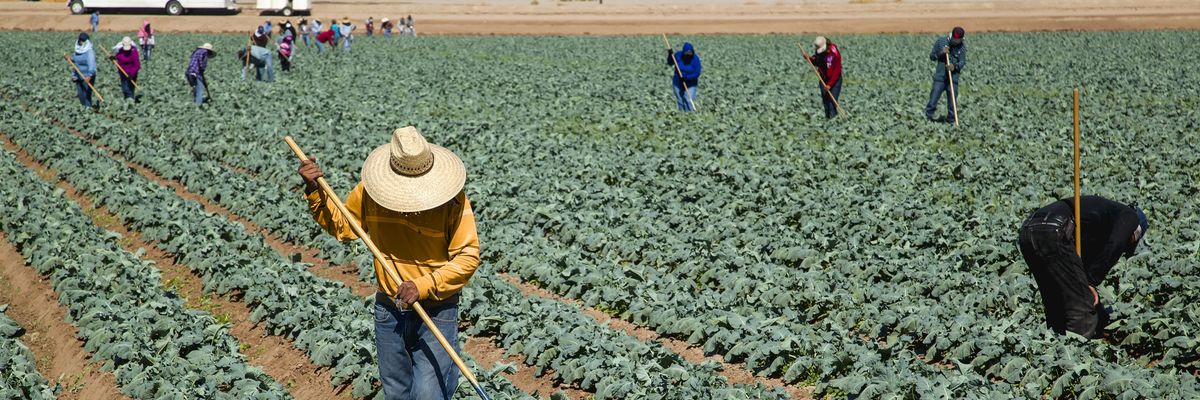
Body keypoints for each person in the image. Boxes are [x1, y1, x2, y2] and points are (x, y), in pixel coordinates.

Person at [297, 127, 480, 400]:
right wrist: (314, 190)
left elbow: (468, 256)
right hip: (389, 309)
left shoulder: (451, 200)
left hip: (437, 311)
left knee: (429, 395)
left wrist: (424, 285)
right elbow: (344, 227)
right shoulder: (371, 192)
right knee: (397, 394)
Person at [1018, 196, 1148, 339]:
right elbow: (1115, 245)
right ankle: (1075, 354)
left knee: (1058, 301)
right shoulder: (1130, 217)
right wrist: (1091, 281)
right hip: (1054, 231)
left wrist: (1088, 284)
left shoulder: (1100, 219)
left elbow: (1078, 274)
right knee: (1082, 309)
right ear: (1135, 233)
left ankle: (1056, 347)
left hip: (1028, 231)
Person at [925, 27, 966, 124]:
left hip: (953, 77)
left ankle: (951, 120)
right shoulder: (941, 41)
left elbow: (962, 62)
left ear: (961, 39)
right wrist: (941, 52)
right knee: (933, 98)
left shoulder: (962, 47)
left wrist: (954, 67)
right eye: (954, 39)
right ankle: (929, 117)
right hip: (940, 77)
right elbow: (932, 56)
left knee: (952, 101)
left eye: (957, 40)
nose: (955, 41)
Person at [808, 36, 843, 119]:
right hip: (823, 79)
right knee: (826, 103)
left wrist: (830, 84)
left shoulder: (834, 53)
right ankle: (828, 121)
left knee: (832, 102)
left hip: (834, 81)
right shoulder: (819, 51)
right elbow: (817, 62)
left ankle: (834, 120)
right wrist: (809, 58)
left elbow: (837, 71)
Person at [666, 42, 701, 112]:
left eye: (690, 54)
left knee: (688, 99)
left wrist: (687, 78)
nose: (688, 55)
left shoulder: (695, 59)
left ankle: (690, 114)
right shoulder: (678, 55)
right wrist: (670, 55)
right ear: (683, 53)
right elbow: (670, 62)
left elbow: (697, 73)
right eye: (686, 54)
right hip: (678, 82)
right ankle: (682, 115)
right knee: (680, 100)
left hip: (691, 83)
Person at [69, 32, 98, 109]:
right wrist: (73, 74)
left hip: (87, 76)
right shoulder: (77, 50)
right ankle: (83, 109)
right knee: (80, 94)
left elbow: (92, 64)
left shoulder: (89, 52)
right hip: (79, 75)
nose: (81, 42)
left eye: (83, 40)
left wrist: (89, 75)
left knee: (86, 94)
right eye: (80, 40)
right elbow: (75, 63)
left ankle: (88, 109)